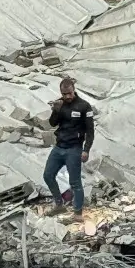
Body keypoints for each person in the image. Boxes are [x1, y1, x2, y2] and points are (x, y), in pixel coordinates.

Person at [43, 78, 95, 219]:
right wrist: (56, 110)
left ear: (74, 90)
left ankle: (77, 213)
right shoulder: (60, 104)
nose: (67, 97)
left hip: (74, 149)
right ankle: (59, 204)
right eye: (64, 94)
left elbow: (90, 131)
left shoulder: (84, 106)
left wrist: (86, 150)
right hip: (59, 147)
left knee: (75, 182)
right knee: (48, 175)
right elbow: (53, 123)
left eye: (69, 93)